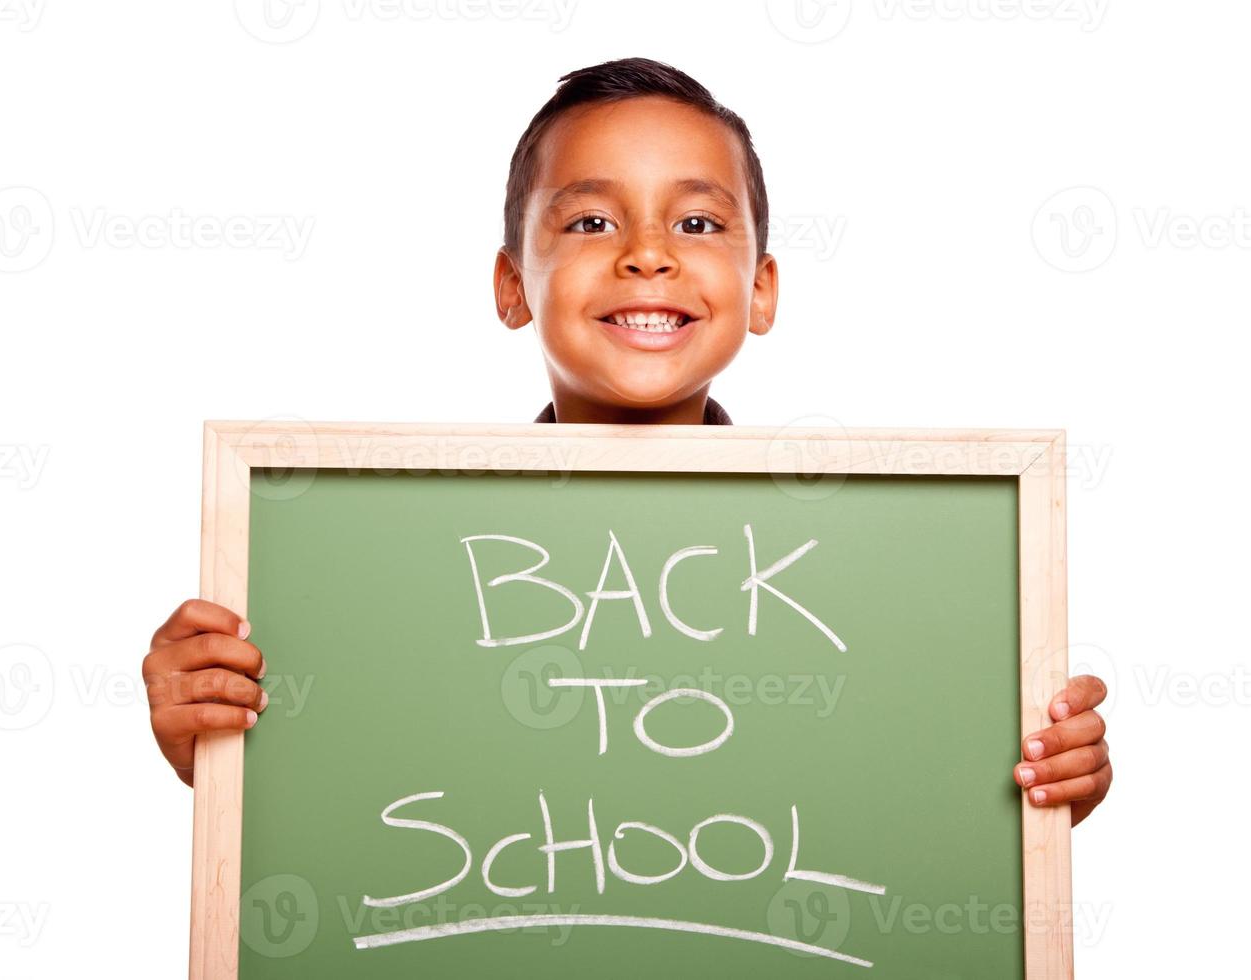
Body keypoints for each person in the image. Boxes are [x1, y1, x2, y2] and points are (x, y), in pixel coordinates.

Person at [142, 57, 1112, 826]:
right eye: (592, 219)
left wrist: (1039, 778)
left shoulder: (875, 565)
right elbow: (369, 786)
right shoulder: (392, 565)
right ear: (511, 284)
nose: (646, 253)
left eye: (695, 221)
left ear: (761, 287)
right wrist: (227, 752)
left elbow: (909, 780)